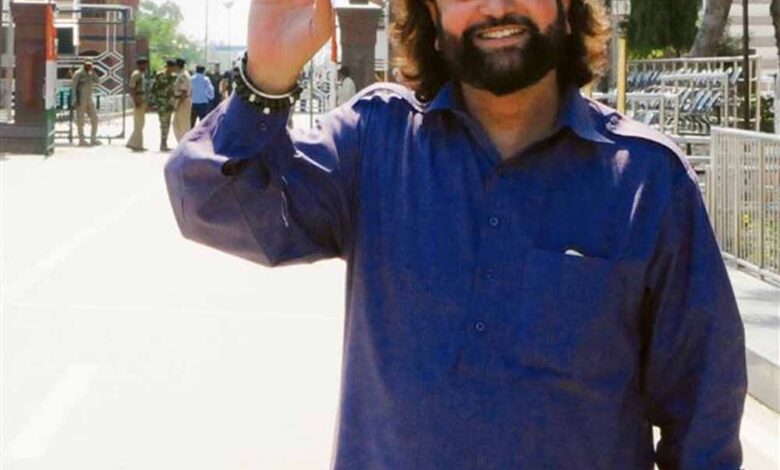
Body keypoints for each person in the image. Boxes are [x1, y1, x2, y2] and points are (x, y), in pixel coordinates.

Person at [165, 1, 747, 468]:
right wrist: (266, 79)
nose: (495, 8)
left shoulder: (647, 181)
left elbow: (704, 418)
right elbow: (211, 206)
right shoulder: (375, 143)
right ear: (431, 16)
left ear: (567, 9)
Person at [71, 58, 100, 146]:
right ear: (84, 64)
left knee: (95, 118)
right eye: (87, 65)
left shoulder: (91, 73)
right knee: (80, 120)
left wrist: (93, 72)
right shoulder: (78, 73)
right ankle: (81, 140)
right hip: (80, 99)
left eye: (90, 65)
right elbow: (73, 87)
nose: (88, 66)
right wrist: (74, 100)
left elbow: (97, 81)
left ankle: (93, 139)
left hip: (89, 99)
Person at [149, 59, 177, 152]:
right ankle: (163, 144)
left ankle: (164, 143)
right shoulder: (160, 75)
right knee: (163, 124)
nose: (173, 69)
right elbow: (153, 89)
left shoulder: (174, 77)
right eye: (172, 67)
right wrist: (152, 102)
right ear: (168, 66)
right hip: (162, 103)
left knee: (167, 124)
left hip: (170, 103)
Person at [126, 56, 149, 152]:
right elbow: (131, 88)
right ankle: (136, 145)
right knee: (138, 123)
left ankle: (133, 143)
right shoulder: (136, 74)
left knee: (141, 123)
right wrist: (136, 100)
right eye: (144, 64)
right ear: (140, 65)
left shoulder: (142, 75)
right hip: (138, 100)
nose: (146, 66)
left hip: (142, 99)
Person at [172, 58, 192, 141]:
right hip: (183, 100)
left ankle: (184, 143)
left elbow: (184, 92)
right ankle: (182, 142)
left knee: (182, 125)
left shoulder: (183, 76)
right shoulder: (183, 74)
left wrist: (178, 105)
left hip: (183, 102)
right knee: (178, 124)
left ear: (177, 66)